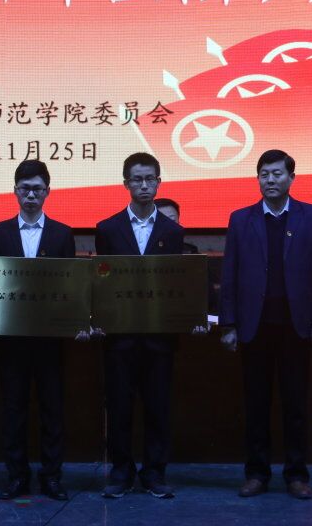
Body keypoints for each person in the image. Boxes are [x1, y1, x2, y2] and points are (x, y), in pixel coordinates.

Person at [219, 149, 312, 500]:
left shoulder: (311, 216)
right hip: (254, 327)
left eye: (277, 174)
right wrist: (229, 324)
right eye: (264, 174)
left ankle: (296, 475)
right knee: (256, 405)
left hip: (295, 327)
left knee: (295, 404)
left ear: (291, 178)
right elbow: (230, 274)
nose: (270, 180)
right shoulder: (241, 219)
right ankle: (257, 474)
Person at [93, 152, 205, 500]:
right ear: (125, 183)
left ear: (158, 182)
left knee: (158, 407)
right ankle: (121, 472)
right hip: (119, 336)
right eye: (137, 179)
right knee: (119, 407)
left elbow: (177, 283)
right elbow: (102, 280)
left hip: (159, 336)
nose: (143, 185)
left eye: (149, 179)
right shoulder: (107, 229)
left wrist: (190, 316)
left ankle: (155, 473)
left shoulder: (173, 231)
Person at [0, 160, 84, 502]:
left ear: (48, 192)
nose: (31, 195)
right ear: (15, 191)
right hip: (12, 340)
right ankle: (17, 476)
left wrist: (77, 321)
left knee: (52, 410)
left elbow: (71, 287)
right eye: (25, 189)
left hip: (50, 340)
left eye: (37, 189)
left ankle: (52, 477)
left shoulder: (62, 234)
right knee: (13, 410)